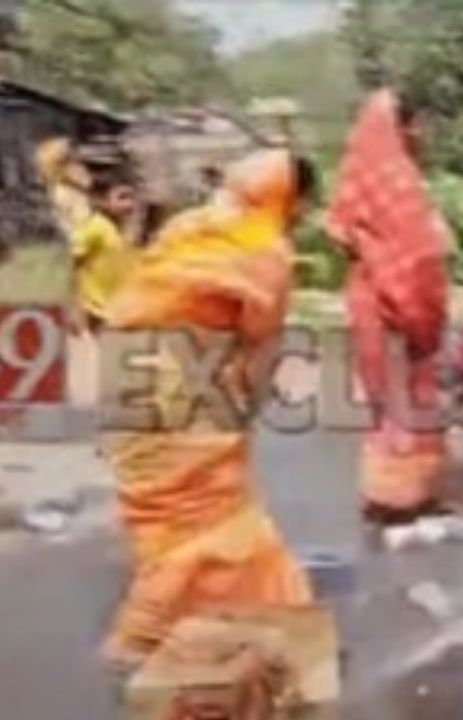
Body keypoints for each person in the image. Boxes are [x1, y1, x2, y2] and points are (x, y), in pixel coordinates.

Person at [98, 149, 318, 668]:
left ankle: (198, 640)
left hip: (126, 380)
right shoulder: (265, 251)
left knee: (169, 519)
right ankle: (146, 638)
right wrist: (242, 417)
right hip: (185, 392)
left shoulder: (188, 229)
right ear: (290, 201)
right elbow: (260, 357)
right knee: (213, 526)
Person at [326, 89, 456, 527]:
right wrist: (422, 307)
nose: (424, 134)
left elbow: (341, 231)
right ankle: (403, 497)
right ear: (402, 126)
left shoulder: (357, 174)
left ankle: (387, 491)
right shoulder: (397, 179)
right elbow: (416, 252)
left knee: (384, 398)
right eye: (419, 124)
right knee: (409, 395)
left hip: (367, 295)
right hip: (399, 299)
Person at [70, 172, 138, 335]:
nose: (129, 204)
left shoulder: (121, 231)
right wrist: (74, 307)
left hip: (110, 307)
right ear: (101, 201)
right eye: (122, 197)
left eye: (132, 197)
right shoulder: (96, 227)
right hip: (92, 308)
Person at [34, 137, 93, 239]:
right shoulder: (65, 194)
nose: (82, 168)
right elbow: (84, 226)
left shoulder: (72, 190)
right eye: (72, 162)